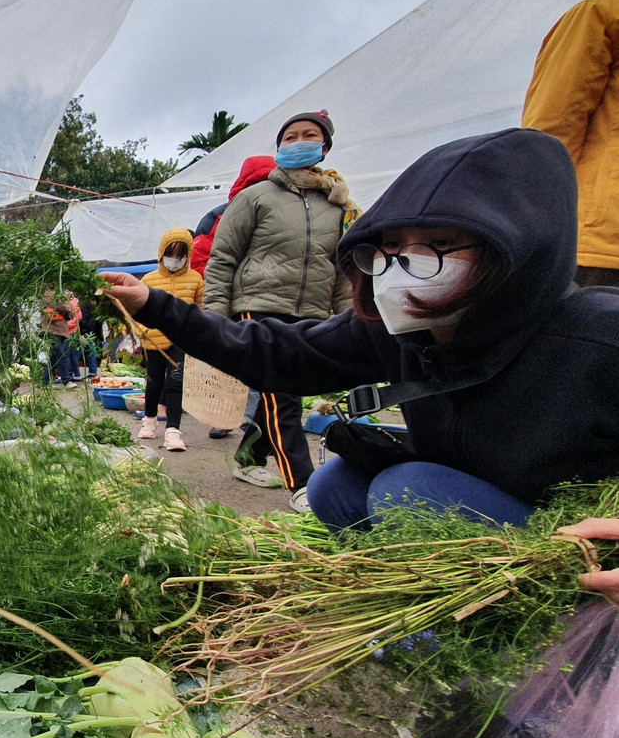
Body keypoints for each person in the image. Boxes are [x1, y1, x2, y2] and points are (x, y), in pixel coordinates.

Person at [101, 128, 619, 536]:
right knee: (334, 484)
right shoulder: (403, 330)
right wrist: (156, 306)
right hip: (474, 497)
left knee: (407, 489)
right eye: (391, 245)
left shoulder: (596, 334)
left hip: (567, 535)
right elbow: (282, 354)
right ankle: (425, 618)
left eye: (438, 243)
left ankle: (502, 634)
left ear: (520, 250)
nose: (403, 263)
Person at [202, 111, 359, 511]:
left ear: (324, 146)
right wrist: (215, 319)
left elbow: (340, 269)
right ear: (279, 147)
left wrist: (351, 318)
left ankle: (249, 456)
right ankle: (302, 484)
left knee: (283, 392)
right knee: (281, 394)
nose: (299, 141)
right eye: (291, 136)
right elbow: (222, 259)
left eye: (310, 135)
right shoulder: (254, 197)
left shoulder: (337, 204)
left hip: (310, 311)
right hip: (258, 306)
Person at [522, 0, 619, 288]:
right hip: (602, 247)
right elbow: (550, 136)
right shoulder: (601, 14)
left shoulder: (601, 13)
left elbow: (548, 134)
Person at [193, 155, 276, 439]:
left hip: (260, 299)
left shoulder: (290, 210)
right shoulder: (222, 214)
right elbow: (206, 259)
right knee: (243, 360)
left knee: (248, 360)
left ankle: (246, 420)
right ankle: (232, 417)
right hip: (242, 298)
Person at [134, 228, 202, 450]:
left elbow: (201, 310)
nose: (174, 260)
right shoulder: (149, 279)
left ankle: (173, 431)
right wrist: (140, 329)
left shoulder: (196, 279)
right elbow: (135, 309)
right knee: (154, 383)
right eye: (170, 254)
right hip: (152, 340)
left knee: (175, 383)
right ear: (162, 252)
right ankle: (149, 421)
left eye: (180, 255)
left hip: (180, 340)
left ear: (187, 255)